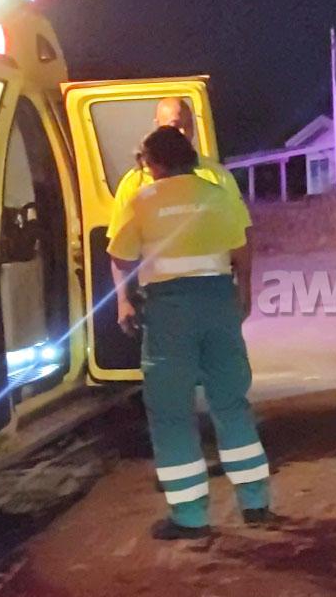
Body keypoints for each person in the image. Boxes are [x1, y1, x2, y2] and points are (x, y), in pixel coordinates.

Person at [108, 126, 275, 539]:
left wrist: (125, 299)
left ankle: (190, 516)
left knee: (171, 412)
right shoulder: (218, 194)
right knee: (231, 401)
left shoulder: (141, 200)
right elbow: (242, 249)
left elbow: (119, 256)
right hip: (218, 302)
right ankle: (255, 502)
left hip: (169, 312)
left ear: (154, 163)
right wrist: (244, 293)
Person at [107, 97, 247, 241]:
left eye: (189, 125)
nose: (183, 132)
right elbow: (120, 241)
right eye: (175, 125)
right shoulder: (134, 182)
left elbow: (241, 231)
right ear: (157, 126)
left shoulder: (217, 175)